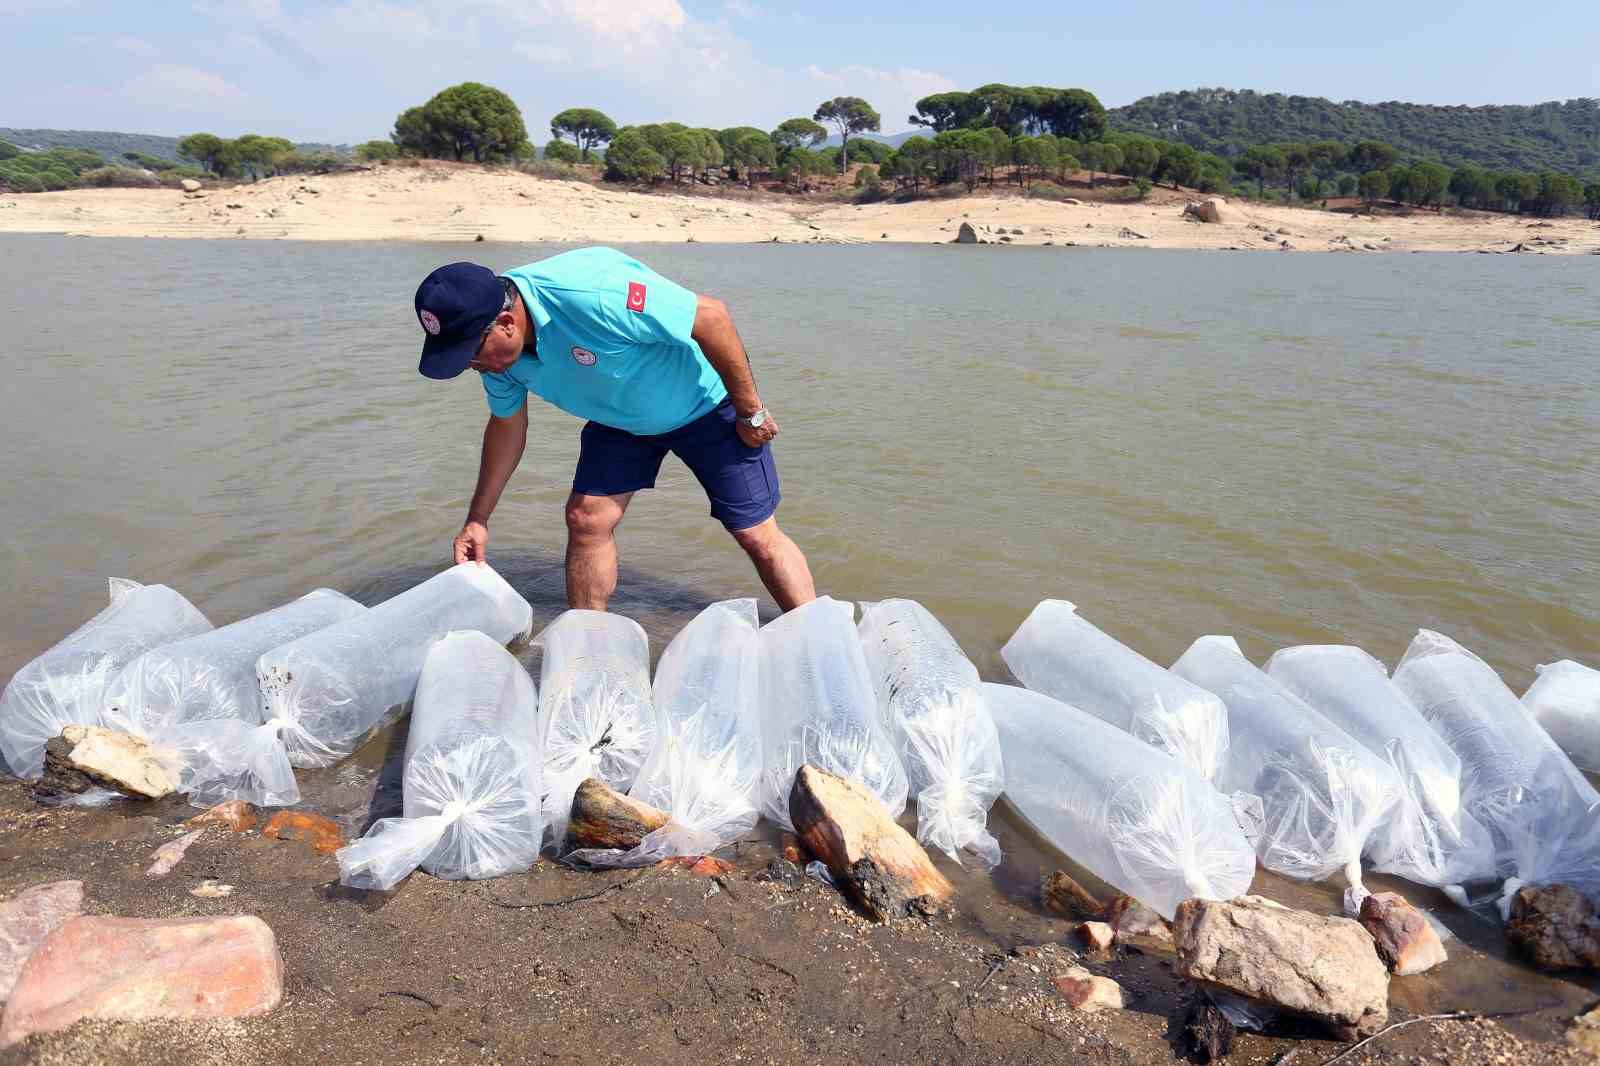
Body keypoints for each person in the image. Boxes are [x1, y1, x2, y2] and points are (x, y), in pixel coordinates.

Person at [412, 247, 816, 612]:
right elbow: (507, 425)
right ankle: (589, 650)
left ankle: (821, 644)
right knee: (586, 519)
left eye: (469, 354)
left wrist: (750, 411)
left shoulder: (596, 294)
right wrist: (478, 518)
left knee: (756, 535)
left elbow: (711, 317)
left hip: (703, 403)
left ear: (504, 322)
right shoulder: (496, 357)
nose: (470, 366)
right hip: (618, 417)